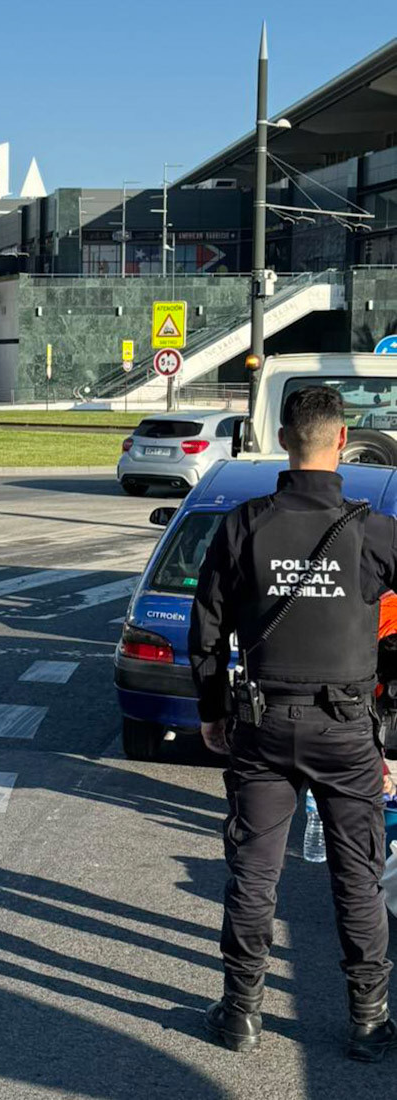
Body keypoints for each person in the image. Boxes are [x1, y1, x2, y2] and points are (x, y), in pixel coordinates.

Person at [190, 385, 397, 1062]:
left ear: (284, 438)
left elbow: (206, 630)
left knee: (253, 873)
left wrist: (214, 712)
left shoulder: (245, 523)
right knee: (357, 878)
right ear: (341, 441)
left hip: (263, 726)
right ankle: (368, 1021)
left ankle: (241, 1013)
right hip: (346, 730)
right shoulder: (370, 531)